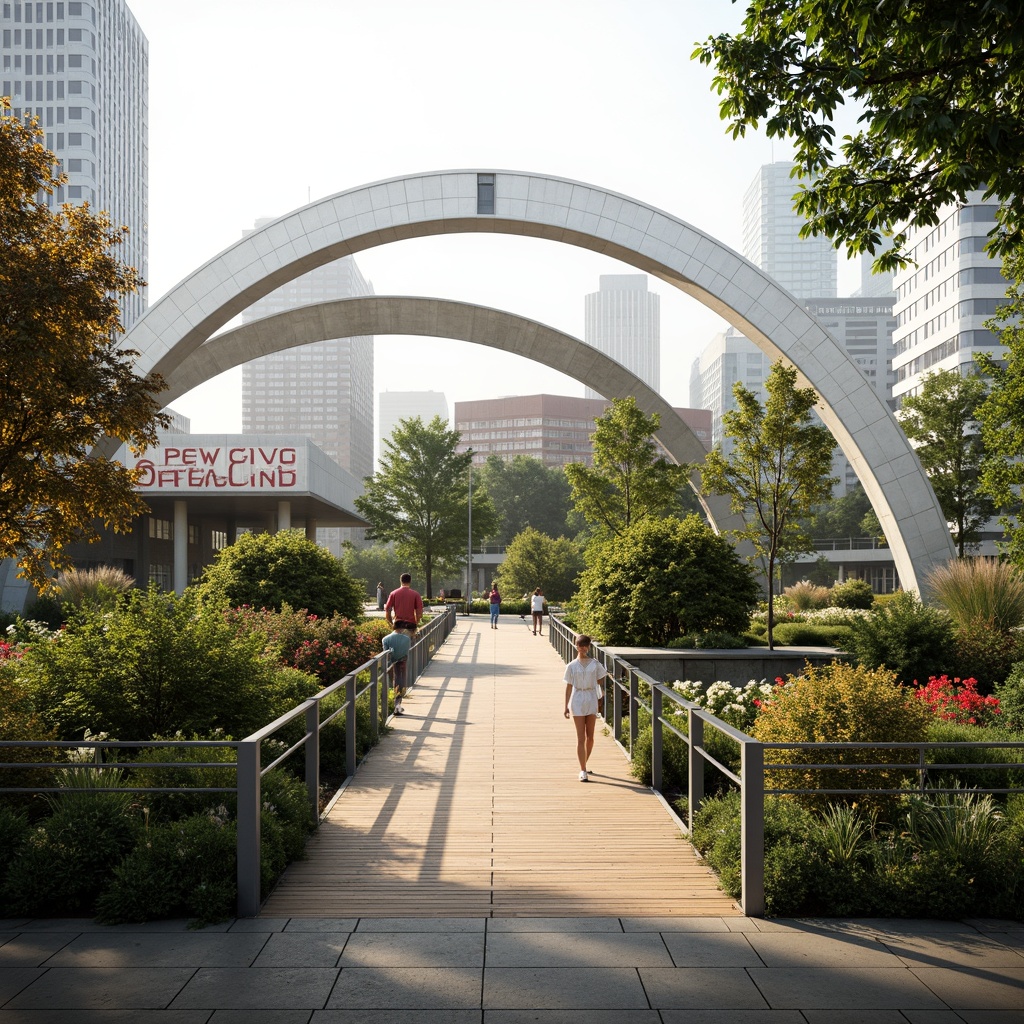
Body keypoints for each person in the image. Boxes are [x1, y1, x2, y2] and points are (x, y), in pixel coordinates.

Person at [563, 635, 606, 781]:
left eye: (585, 645)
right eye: (580, 645)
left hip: (591, 697)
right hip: (577, 699)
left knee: (591, 737)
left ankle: (584, 764)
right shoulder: (571, 666)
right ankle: (583, 770)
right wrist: (566, 706)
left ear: (588, 646)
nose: (582, 648)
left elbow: (601, 680)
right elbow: (569, 686)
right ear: (576, 646)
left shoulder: (595, 664)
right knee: (580, 737)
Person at [382, 623, 415, 715]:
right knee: (400, 682)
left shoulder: (385, 639)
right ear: (402, 628)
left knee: (393, 682)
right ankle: (397, 704)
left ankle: (394, 704)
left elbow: (385, 652)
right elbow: (406, 651)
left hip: (390, 664)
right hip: (402, 662)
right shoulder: (407, 639)